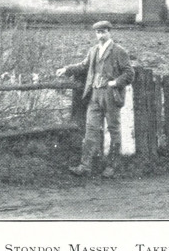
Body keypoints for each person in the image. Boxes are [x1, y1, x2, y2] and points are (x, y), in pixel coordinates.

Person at [56, 20, 135, 178]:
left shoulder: (119, 51)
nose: (100, 35)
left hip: (111, 95)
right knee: (91, 130)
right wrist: (66, 69)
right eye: (98, 32)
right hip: (94, 95)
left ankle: (112, 166)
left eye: (103, 32)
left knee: (114, 130)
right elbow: (84, 66)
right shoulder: (93, 50)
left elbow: (129, 73)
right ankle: (85, 166)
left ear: (109, 32)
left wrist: (114, 82)